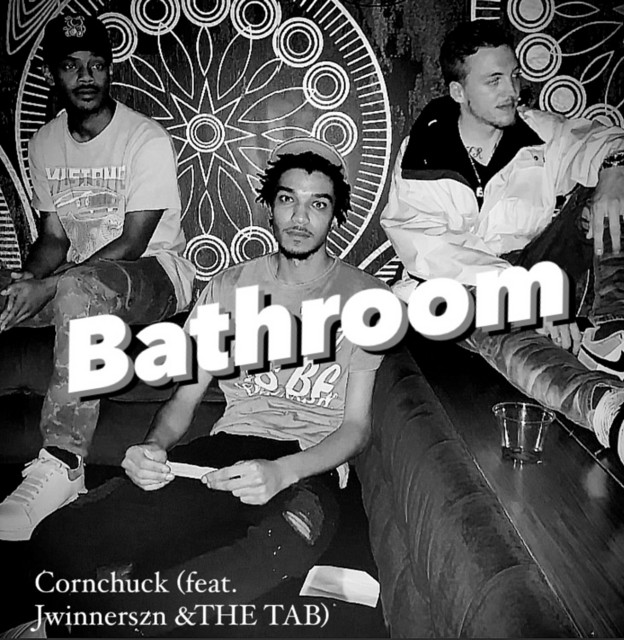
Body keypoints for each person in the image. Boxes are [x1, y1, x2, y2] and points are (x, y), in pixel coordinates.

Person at [5, 137, 387, 637]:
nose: (300, 216)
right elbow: (184, 398)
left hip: (307, 468)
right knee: (58, 538)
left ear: (334, 217)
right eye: (287, 199)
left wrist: (281, 472)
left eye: (318, 204)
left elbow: (356, 429)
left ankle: (89, 626)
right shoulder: (228, 289)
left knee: (271, 552)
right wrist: (152, 448)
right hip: (220, 456)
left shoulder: (365, 298)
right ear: (270, 208)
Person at [381, 21, 624, 478]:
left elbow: (599, 142)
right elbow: (430, 252)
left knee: (614, 197)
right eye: (494, 80)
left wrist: (617, 169)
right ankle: (608, 408)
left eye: (514, 75)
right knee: (489, 315)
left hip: (541, 267)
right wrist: (524, 292)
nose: (512, 91)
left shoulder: (537, 132)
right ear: (458, 92)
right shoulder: (422, 153)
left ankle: (617, 334)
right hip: (460, 289)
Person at [0, 14, 195, 540]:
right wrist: (27, 280)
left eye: (96, 65)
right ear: (52, 74)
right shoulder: (44, 143)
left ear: (109, 71)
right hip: (80, 281)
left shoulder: (144, 138)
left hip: (155, 275)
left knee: (77, 289)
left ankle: (65, 463)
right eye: (71, 66)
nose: (86, 77)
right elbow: (53, 239)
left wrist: (52, 284)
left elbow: (132, 243)